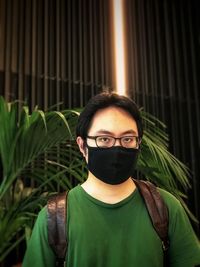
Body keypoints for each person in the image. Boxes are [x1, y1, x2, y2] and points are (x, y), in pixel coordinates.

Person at [23, 92, 200, 267]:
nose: (117, 147)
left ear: (138, 143)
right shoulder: (53, 218)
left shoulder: (165, 207)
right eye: (104, 139)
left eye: (127, 139)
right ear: (82, 145)